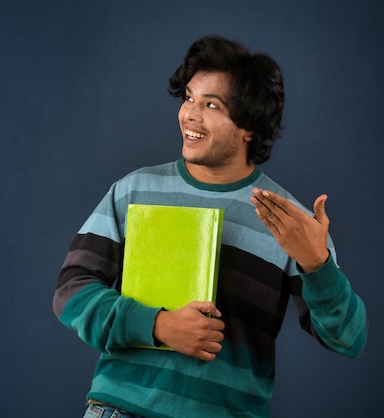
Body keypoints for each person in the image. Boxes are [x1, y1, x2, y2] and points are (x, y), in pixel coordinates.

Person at [53, 35, 367, 418]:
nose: (189, 115)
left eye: (211, 104)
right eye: (189, 98)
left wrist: (318, 265)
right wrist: (158, 325)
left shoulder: (289, 223)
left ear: (249, 126)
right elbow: (71, 292)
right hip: (119, 411)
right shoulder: (133, 190)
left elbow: (349, 340)